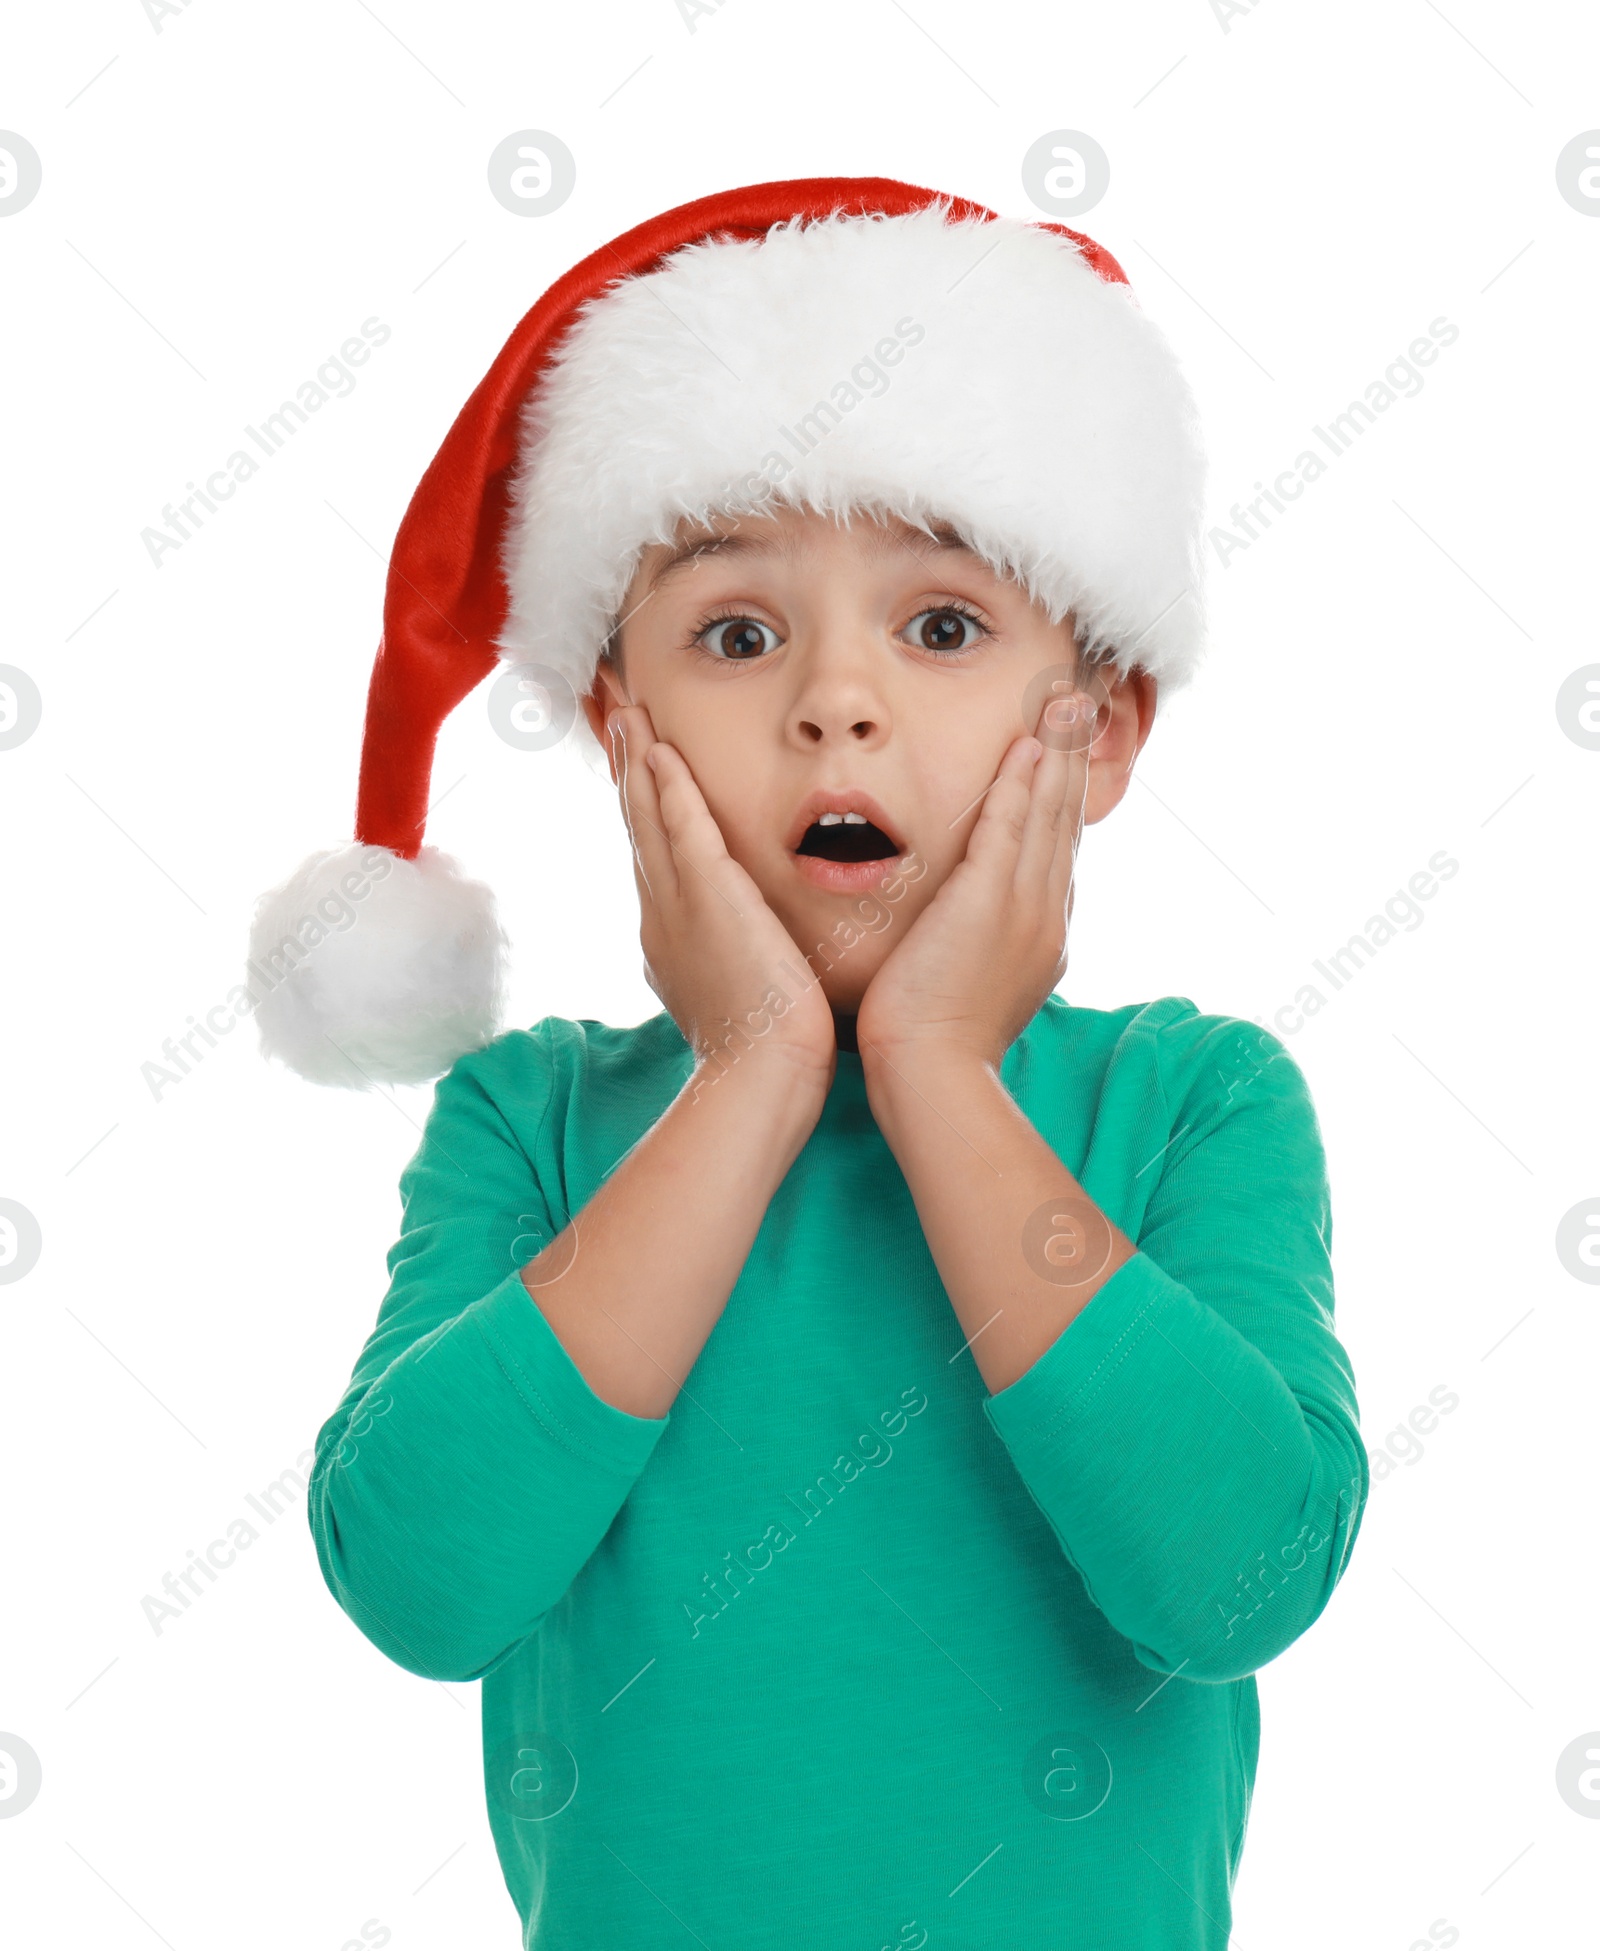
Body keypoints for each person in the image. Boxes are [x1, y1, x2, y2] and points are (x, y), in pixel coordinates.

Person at [249, 176, 1368, 1948]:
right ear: (621, 732)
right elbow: (419, 1581)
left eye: (939, 628)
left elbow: (1236, 1577)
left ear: (1098, 733)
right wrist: (756, 1070)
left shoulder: (1195, 1101)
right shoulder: (527, 1122)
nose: (832, 704)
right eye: (738, 633)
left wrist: (935, 1064)